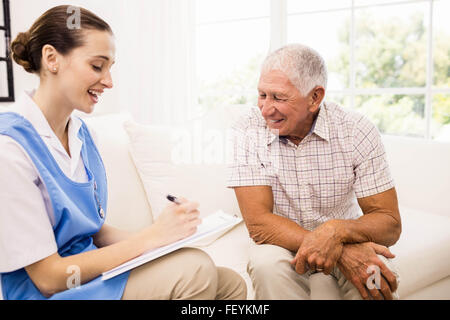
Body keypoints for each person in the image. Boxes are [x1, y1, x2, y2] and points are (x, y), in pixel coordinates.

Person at [0, 5, 246, 300]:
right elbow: (48, 278)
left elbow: (94, 231)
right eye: (97, 66)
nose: (108, 81)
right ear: (52, 59)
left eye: (110, 67)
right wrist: (150, 237)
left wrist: (165, 236)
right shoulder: (10, 148)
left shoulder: (81, 134)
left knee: (230, 283)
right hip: (52, 291)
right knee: (195, 269)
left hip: (89, 277)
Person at [227, 43, 401, 300]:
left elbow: (389, 222)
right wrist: (336, 248)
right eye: (262, 95)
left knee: (376, 274)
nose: (265, 109)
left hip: (348, 236)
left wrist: (336, 233)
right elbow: (259, 223)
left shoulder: (356, 129)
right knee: (266, 266)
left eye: (278, 97)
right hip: (279, 242)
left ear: (314, 97)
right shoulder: (248, 128)